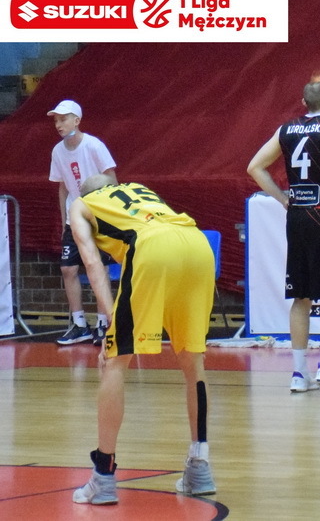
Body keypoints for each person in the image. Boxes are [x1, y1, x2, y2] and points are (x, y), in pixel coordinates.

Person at [69, 174, 216, 505]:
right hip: (197, 244)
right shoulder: (138, 189)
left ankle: (103, 476)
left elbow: (92, 262)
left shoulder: (80, 204)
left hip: (152, 247)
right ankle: (200, 468)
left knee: (115, 362)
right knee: (193, 361)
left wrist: (110, 323)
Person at [247, 75, 320, 396]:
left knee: (301, 296)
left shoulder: (286, 129)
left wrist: (282, 198)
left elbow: (254, 167)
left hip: (297, 215)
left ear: (303, 103)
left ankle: (300, 373)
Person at [47, 99, 118, 346]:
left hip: (98, 217)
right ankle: (79, 324)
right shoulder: (57, 151)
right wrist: (63, 221)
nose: (59, 124)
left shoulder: (94, 145)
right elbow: (63, 187)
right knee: (68, 269)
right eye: (56, 120)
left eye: (63, 119)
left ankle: (102, 322)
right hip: (74, 218)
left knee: (98, 267)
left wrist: (111, 215)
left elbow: (111, 178)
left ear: (77, 120)